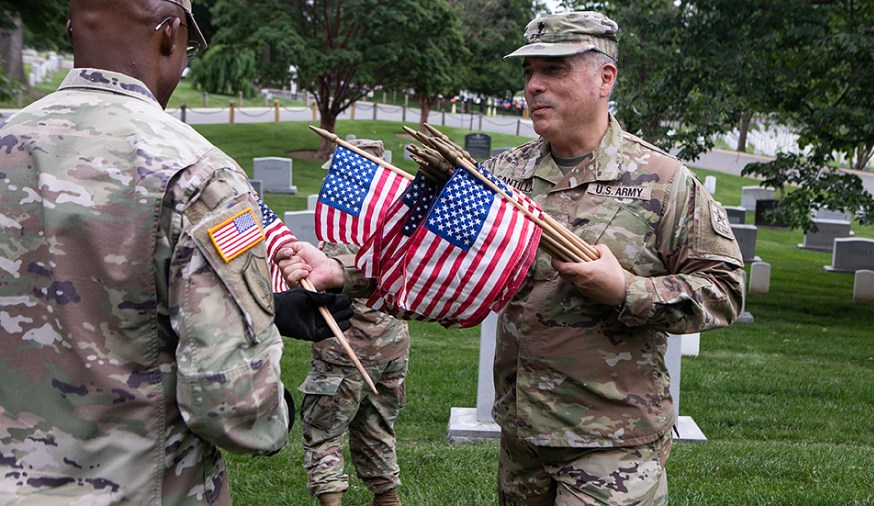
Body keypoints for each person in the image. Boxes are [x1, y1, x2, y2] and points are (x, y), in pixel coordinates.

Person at [279, 10, 745, 506]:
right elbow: (431, 265)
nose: (534, 86)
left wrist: (626, 291)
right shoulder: (499, 176)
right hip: (522, 436)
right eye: (528, 72)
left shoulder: (666, 182)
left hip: (613, 443)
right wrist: (342, 273)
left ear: (606, 78)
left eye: (554, 70)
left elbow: (724, 288)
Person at [0, 0, 350, 503]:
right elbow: (230, 404)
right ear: (169, 35)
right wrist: (276, 411)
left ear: (72, 29)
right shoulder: (197, 175)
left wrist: (266, 311)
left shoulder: (8, 141)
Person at [294, 140, 409, 506]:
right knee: (377, 429)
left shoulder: (344, 232)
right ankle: (386, 497)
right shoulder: (400, 229)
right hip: (391, 349)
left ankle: (333, 501)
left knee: (324, 432)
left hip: (343, 351)